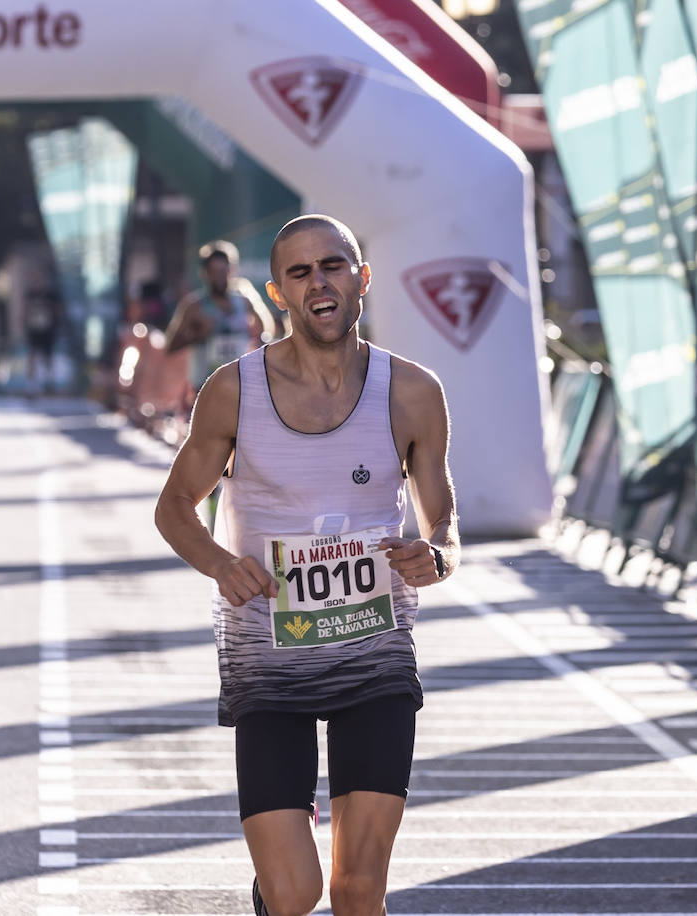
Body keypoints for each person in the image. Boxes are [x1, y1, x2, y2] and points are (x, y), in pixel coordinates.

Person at [155, 215, 460, 916]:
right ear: (279, 293)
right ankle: (272, 893)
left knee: (358, 891)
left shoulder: (413, 391)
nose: (319, 282)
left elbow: (443, 514)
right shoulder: (233, 392)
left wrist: (439, 554)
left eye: (333, 265)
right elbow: (173, 505)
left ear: (362, 277)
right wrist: (218, 563)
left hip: (375, 656)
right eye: (300, 272)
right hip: (269, 659)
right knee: (295, 894)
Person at [164, 239, 280, 395]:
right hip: (205, 387)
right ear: (204, 273)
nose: (219, 277)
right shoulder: (193, 306)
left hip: (239, 384)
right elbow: (170, 346)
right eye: (214, 272)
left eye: (223, 271)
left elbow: (266, 332)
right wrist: (196, 335)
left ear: (231, 271)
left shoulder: (244, 301)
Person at [25, 287, 64, 393]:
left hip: (47, 330)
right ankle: (31, 384)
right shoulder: (30, 294)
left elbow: (57, 310)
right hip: (34, 330)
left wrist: (57, 325)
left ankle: (49, 382)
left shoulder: (51, 295)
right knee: (32, 356)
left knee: (48, 357)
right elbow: (25, 311)